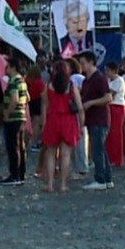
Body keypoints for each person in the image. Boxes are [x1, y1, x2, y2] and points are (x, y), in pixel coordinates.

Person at [39, 60, 83, 194]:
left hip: (53, 120)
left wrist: (43, 123)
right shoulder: (71, 86)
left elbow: (45, 107)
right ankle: (63, 184)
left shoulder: (48, 86)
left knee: (51, 153)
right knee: (65, 155)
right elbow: (80, 108)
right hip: (68, 121)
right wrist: (81, 124)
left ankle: (50, 184)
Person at [78, 53, 114, 189]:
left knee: (97, 150)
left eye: (83, 63)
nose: (81, 66)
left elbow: (108, 97)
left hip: (99, 119)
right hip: (92, 119)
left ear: (91, 62)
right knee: (101, 149)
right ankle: (107, 178)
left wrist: (91, 103)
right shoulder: (86, 80)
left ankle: (100, 179)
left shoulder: (99, 78)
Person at [0, 58, 31, 185]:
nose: (5, 68)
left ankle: (14, 174)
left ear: (12, 67)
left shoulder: (13, 82)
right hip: (21, 116)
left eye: (7, 66)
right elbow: (27, 97)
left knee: (13, 147)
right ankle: (21, 173)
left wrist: (7, 113)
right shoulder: (22, 80)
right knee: (20, 146)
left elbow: (14, 99)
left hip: (13, 117)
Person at [105, 60, 125, 168]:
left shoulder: (119, 80)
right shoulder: (109, 80)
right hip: (110, 106)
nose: (106, 73)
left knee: (116, 133)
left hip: (117, 106)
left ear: (114, 71)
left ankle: (117, 159)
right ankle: (110, 157)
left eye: (108, 71)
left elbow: (110, 93)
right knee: (109, 133)